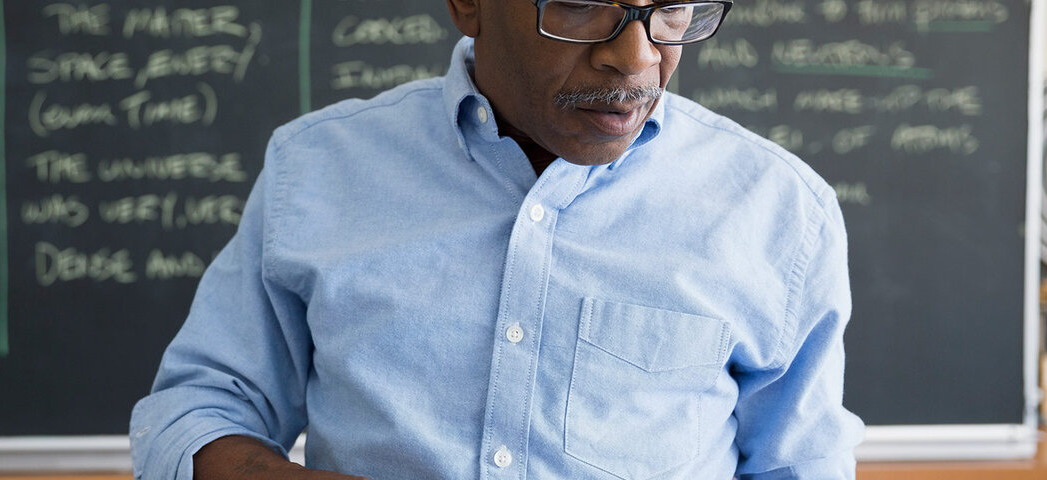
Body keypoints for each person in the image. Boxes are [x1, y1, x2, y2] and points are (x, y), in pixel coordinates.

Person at [130, 0, 865, 477]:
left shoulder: (779, 211)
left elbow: (801, 466)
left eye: (670, 10)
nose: (637, 58)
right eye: (580, 7)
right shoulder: (318, 169)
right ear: (470, 5)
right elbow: (196, 409)